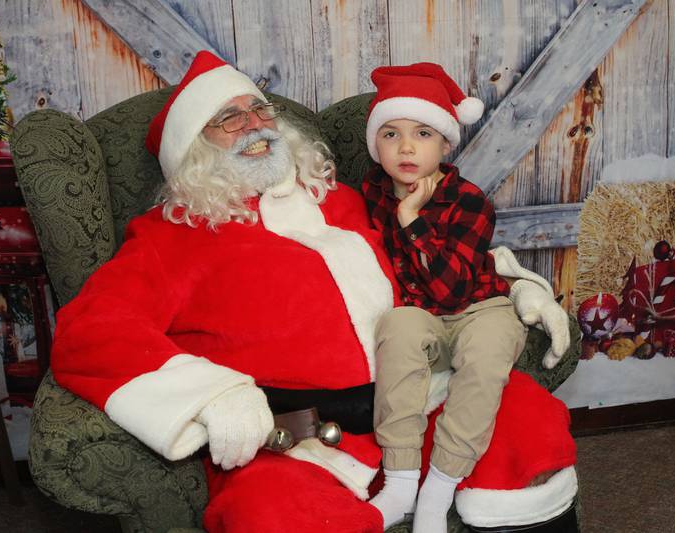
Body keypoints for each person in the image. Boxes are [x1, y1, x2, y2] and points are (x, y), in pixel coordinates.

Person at [50, 51, 577, 532]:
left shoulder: (345, 199)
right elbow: (91, 330)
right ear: (193, 150)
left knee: (527, 423)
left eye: (258, 111)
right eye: (228, 119)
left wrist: (514, 290)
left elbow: (432, 258)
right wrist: (212, 397)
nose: (254, 126)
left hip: (419, 396)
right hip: (296, 444)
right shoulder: (170, 235)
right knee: (272, 514)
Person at [361, 62, 572, 532]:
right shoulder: (370, 193)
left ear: (445, 143)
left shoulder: (470, 200)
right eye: (391, 134)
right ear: (375, 145)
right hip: (420, 314)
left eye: (422, 133)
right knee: (395, 328)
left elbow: (452, 289)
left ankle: (439, 487)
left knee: (488, 351)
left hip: (477, 307)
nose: (407, 147)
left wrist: (411, 218)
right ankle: (400, 482)